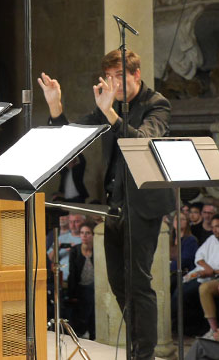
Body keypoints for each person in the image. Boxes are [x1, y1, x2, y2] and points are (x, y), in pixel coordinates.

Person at [39, 48, 173, 360]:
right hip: (115, 206)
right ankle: (138, 346)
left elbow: (140, 143)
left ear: (136, 75)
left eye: (119, 77)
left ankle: (144, 354)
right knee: (118, 283)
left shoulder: (157, 104)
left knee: (139, 283)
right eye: (108, 77)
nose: (113, 84)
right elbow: (71, 139)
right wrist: (55, 105)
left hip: (143, 205)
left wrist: (111, 113)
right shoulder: (108, 107)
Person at [176, 214, 219, 335]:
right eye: (213, 227)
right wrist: (207, 268)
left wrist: (212, 272)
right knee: (178, 288)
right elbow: (199, 255)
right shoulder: (211, 239)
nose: (214, 229)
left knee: (186, 293)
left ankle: (200, 329)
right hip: (202, 272)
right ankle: (181, 327)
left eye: (218, 226)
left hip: (216, 277)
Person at [67, 222, 97, 339]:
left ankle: (85, 330)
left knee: (91, 294)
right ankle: (88, 331)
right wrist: (71, 294)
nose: (84, 236)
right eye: (82, 233)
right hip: (80, 289)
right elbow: (72, 274)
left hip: (95, 288)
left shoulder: (98, 249)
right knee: (87, 296)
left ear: (93, 235)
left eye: (88, 233)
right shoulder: (75, 251)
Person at [172, 210, 200, 276]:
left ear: (187, 222)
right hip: (169, 272)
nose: (179, 221)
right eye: (176, 219)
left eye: (182, 219)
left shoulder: (191, 240)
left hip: (183, 273)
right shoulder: (169, 239)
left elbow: (184, 261)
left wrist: (167, 266)